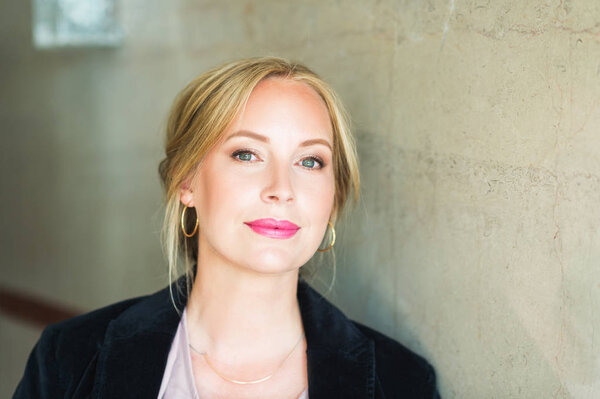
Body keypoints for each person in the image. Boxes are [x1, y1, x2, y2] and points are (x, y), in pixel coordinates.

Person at [13, 57, 440, 398]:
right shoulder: (69, 357)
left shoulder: (400, 381)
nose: (281, 189)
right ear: (187, 181)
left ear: (333, 199)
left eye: (310, 161)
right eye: (247, 154)